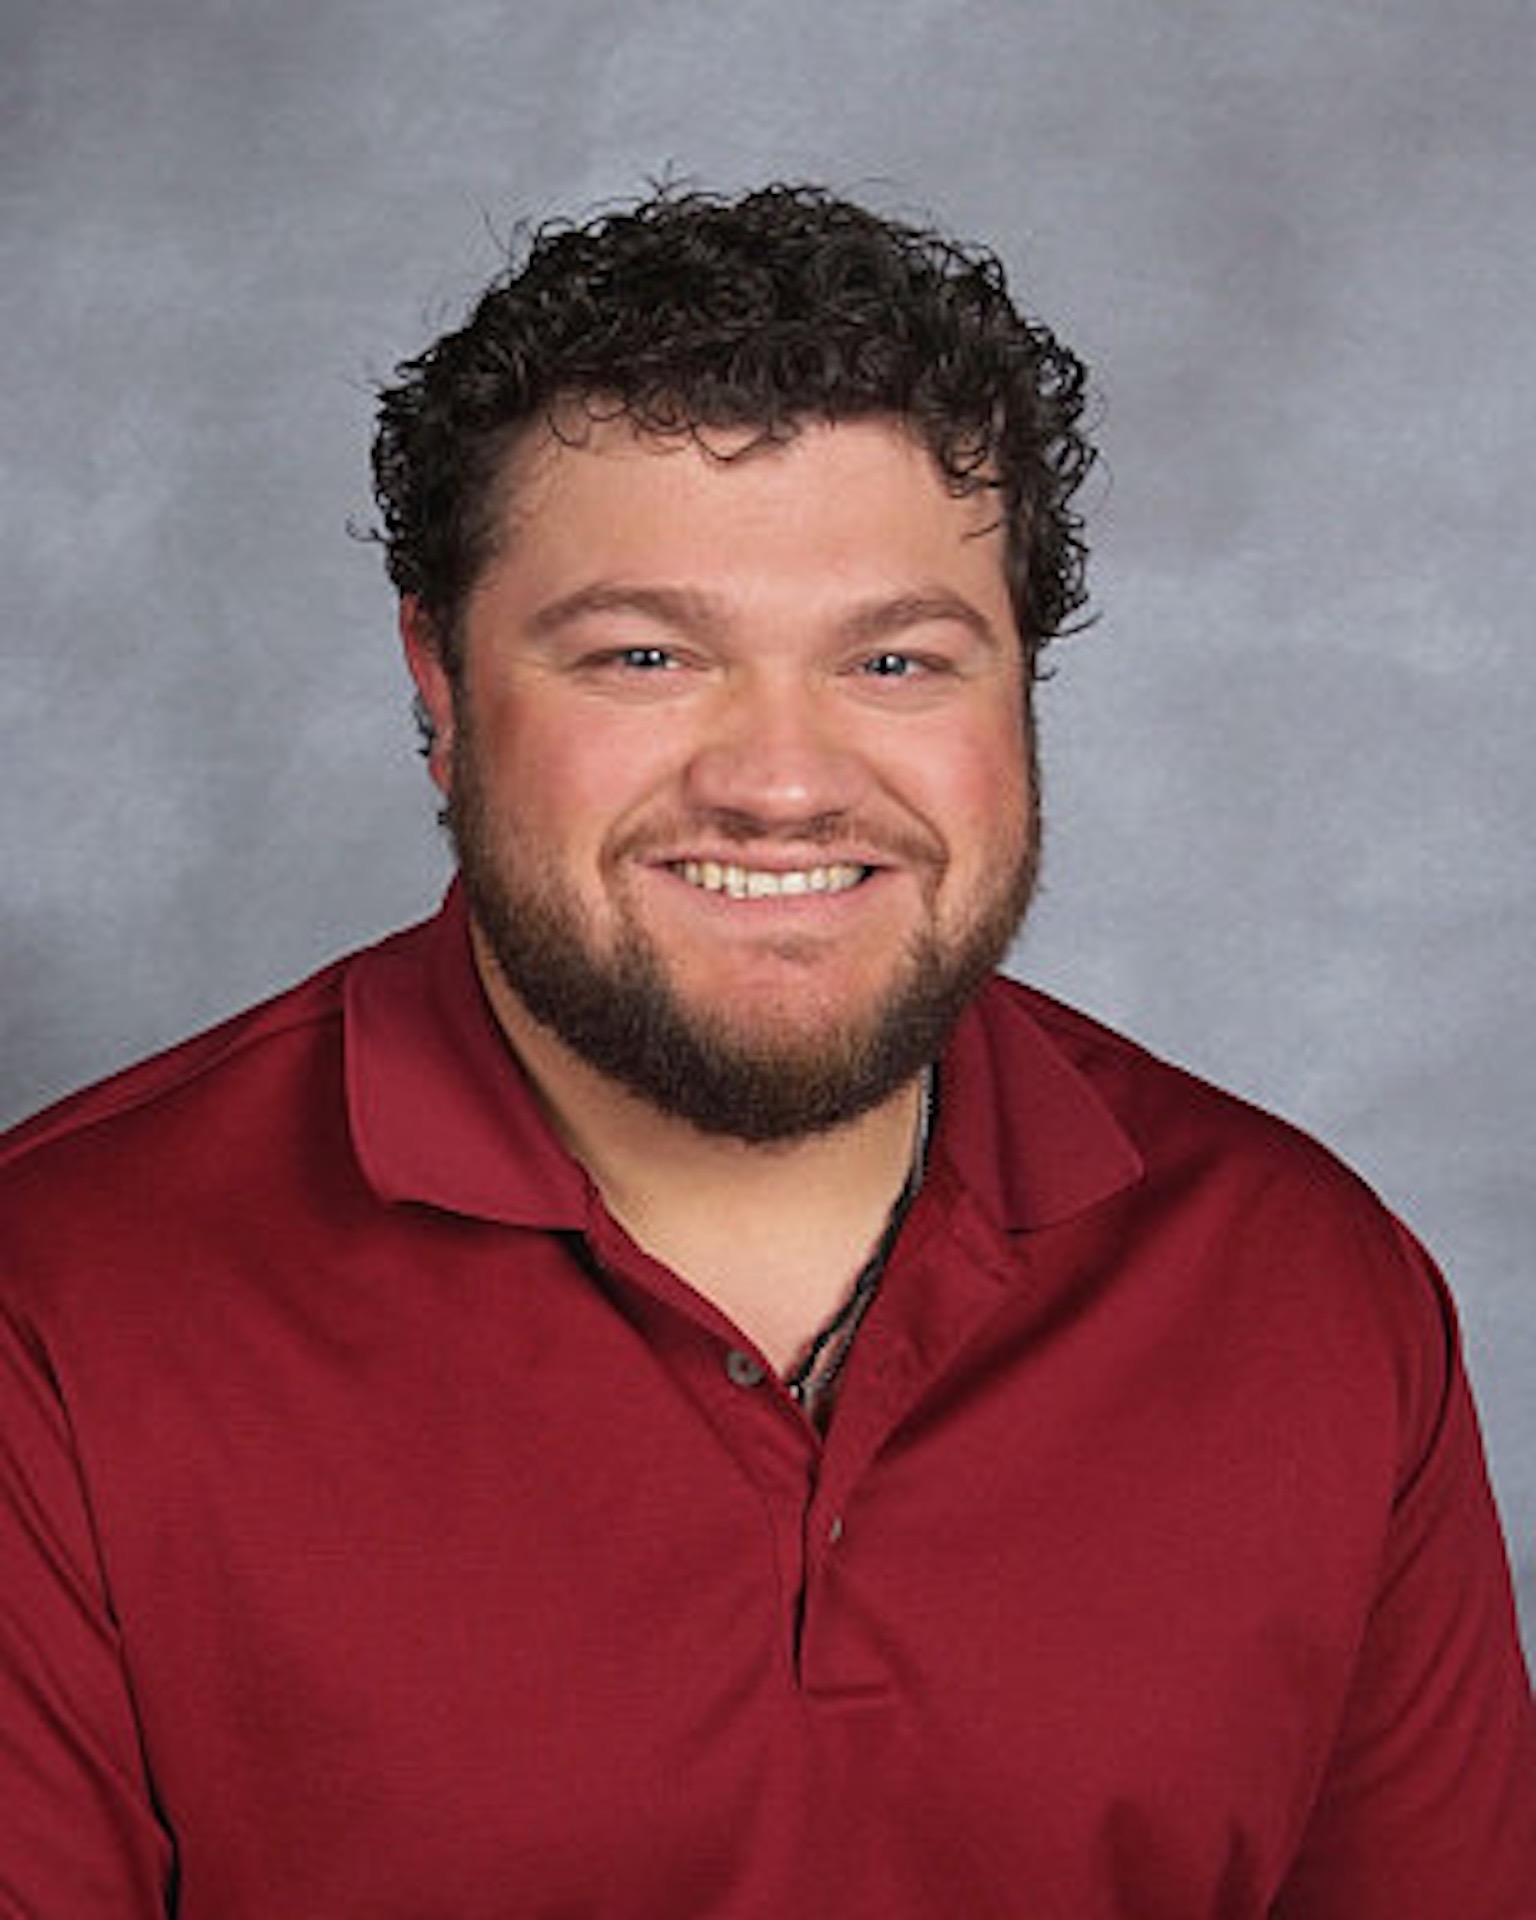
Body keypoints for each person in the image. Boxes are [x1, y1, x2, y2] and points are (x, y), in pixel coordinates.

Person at [1, 183, 1531, 1918]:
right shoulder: (60, 1309)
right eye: (647, 655)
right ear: (440, 684)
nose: (784, 782)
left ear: (1020, 688)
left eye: (895, 659)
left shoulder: (1310, 1287)